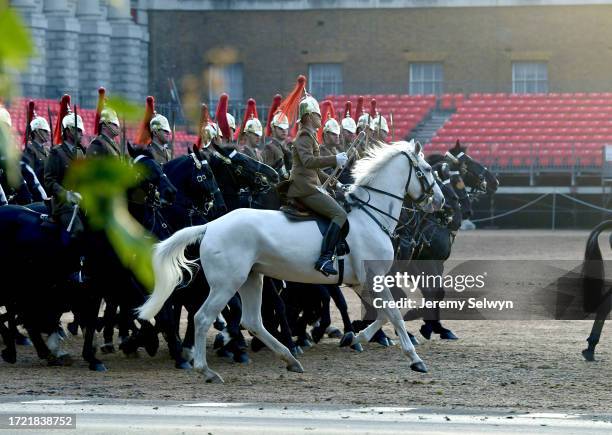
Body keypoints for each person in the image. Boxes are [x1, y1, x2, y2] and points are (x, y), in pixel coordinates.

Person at [279, 76, 348, 276]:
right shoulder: (303, 137)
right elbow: (308, 162)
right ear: (309, 117)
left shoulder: (310, 137)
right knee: (339, 214)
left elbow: (315, 170)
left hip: (311, 184)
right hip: (303, 188)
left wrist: (336, 184)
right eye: (318, 116)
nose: (321, 119)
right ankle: (324, 258)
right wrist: (334, 159)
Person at [44, 95, 85, 239]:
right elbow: (49, 181)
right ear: (68, 131)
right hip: (63, 206)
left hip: (82, 202)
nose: (81, 133)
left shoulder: (81, 152)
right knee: (78, 230)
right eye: (77, 130)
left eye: (81, 130)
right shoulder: (56, 152)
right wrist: (66, 194)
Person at [135, 96, 172, 165]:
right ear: (155, 132)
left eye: (168, 131)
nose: (168, 133)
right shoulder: (148, 152)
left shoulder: (170, 153)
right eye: (164, 130)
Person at [87, 87, 122, 158]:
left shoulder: (115, 145)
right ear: (104, 126)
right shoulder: (98, 143)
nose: (117, 127)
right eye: (114, 124)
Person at [262, 94, 290, 180]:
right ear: (273, 128)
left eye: (286, 128)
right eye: (280, 128)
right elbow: (268, 173)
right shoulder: (269, 148)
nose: (284, 131)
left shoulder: (289, 147)